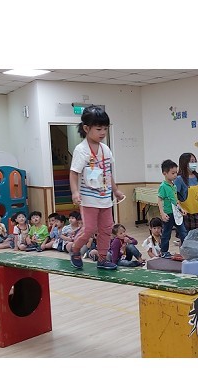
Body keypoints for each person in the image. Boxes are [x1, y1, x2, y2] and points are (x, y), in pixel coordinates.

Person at [68, 105, 123, 270]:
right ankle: (75, 249)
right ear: (86, 128)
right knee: (89, 229)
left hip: (105, 198)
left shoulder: (106, 149)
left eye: (105, 128)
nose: (103, 132)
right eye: (99, 129)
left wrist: (115, 190)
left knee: (106, 229)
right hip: (89, 198)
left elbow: (108, 173)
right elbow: (73, 173)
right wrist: (75, 192)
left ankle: (102, 258)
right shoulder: (81, 150)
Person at [158, 159, 188, 259]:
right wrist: (162, 213)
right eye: (173, 173)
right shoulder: (163, 186)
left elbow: (175, 200)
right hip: (168, 213)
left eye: (176, 173)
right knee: (166, 233)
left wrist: (181, 209)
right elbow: (159, 200)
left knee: (183, 232)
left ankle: (186, 250)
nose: (175, 175)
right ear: (165, 173)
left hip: (176, 213)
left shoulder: (174, 185)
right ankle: (164, 251)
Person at [174, 152, 198, 232]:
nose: (194, 163)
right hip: (187, 215)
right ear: (185, 163)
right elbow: (174, 196)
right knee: (187, 237)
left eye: (195, 161)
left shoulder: (197, 176)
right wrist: (180, 210)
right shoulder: (179, 179)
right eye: (192, 161)